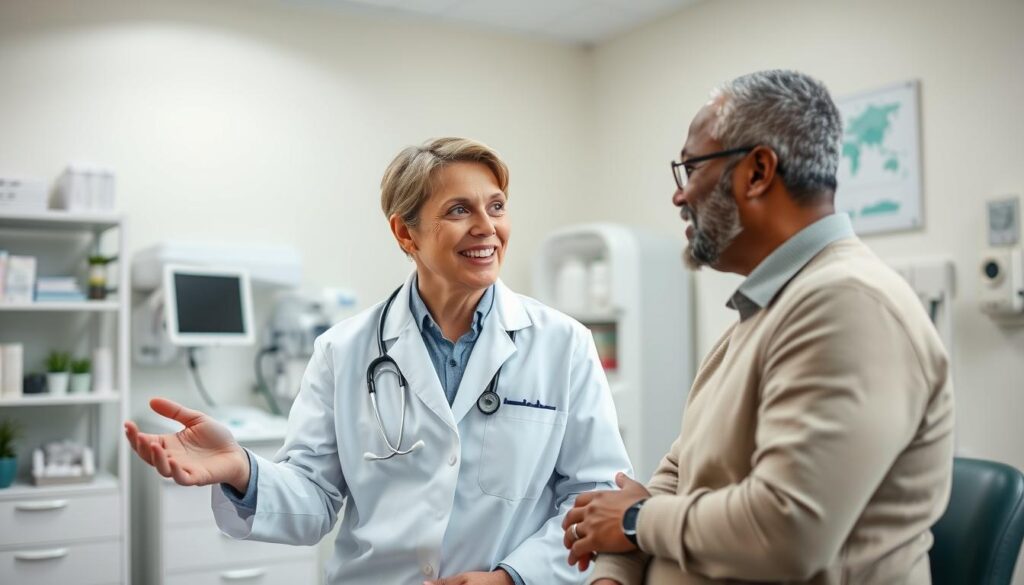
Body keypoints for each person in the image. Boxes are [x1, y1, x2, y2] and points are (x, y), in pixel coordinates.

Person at [125, 137, 632, 585]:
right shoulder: (342, 351)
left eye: (496, 206)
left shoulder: (564, 344)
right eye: (459, 210)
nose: (487, 228)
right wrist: (243, 472)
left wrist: (513, 578)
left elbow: (593, 496)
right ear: (405, 234)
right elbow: (316, 497)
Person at [562, 70, 954, 584]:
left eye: (691, 169)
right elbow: (678, 475)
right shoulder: (765, 311)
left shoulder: (847, 304)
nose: (680, 197)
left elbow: (786, 531)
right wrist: (614, 573)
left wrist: (635, 523)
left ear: (757, 171)